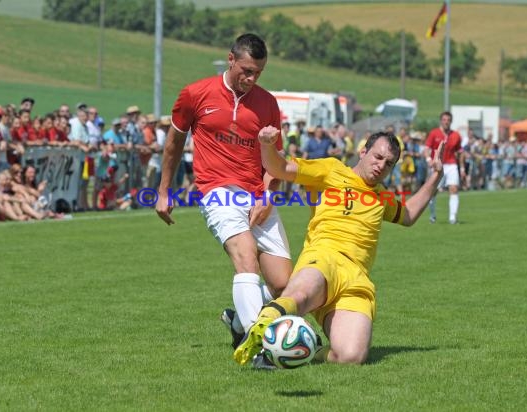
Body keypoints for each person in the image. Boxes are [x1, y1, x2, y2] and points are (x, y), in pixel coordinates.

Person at [233, 128, 446, 366]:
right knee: (300, 295)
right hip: (324, 258)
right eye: (377, 157)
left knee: (350, 356)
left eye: (388, 164)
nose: (380, 166)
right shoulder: (331, 170)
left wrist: (435, 177)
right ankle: (259, 331)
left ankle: (302, 348)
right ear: (363, 151)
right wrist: (266, 145)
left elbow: (408, 215)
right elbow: (280, 168)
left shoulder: (380, 197)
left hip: (356, 280)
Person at [155, 33, 293, 348]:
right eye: (246, 70)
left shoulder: (268, 103)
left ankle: (238, 319)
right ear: (230, 59)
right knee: (246, 259)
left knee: (283, 284)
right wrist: (164, 190)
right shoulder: (195, 94)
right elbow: (174, 144)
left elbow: (276, 163)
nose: (251, 78)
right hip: (217, 192)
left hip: (258, 195)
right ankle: (259, 345)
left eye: (258, 72)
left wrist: (268, 197)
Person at [425, 111, 463, 224]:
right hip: (438, 164)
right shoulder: (434, 133)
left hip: (452, 165)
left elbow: (460, 152)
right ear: (441, 121)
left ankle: (452, 217)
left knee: (454, 189)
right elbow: (426, 148)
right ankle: (432, 215)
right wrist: (429, 159)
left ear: (451, 121)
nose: (446, 122)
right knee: (433, 191)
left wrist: (462, 168)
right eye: (444, 120)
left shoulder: (456, 135)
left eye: (448, 120)